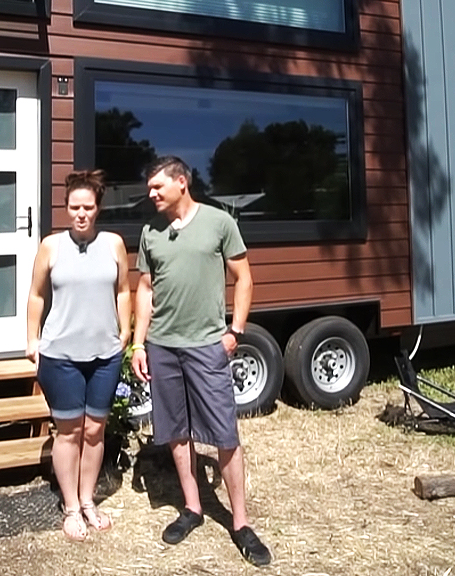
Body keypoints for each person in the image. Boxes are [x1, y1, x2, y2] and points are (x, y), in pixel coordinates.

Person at [130, 155, 272, 567]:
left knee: (225, 435)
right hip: (162, 346)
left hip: (208, 345)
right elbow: (145, 289)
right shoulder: (150, 232)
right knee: (176, 431)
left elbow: (244, 277)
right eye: (149, 188)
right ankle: (192, 508)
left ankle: (241, 523)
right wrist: (139, 344)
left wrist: (236, 331)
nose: (151, 194)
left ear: (181, 182)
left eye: (158, 187)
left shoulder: (219, 223)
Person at [26, 169, 131, 542]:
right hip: (60, 355)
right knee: (69, 432)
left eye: (88, 206)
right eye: (74, 207)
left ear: (98, 208)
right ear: (66, 208)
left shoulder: (114, 244)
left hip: (105, 355)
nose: (81, 213)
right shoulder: (51, 247)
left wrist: (126, 329)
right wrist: (32, 340)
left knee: (94, 430)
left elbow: (123, 290)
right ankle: (70, 506)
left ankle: (89, 500)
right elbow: (37, 295)